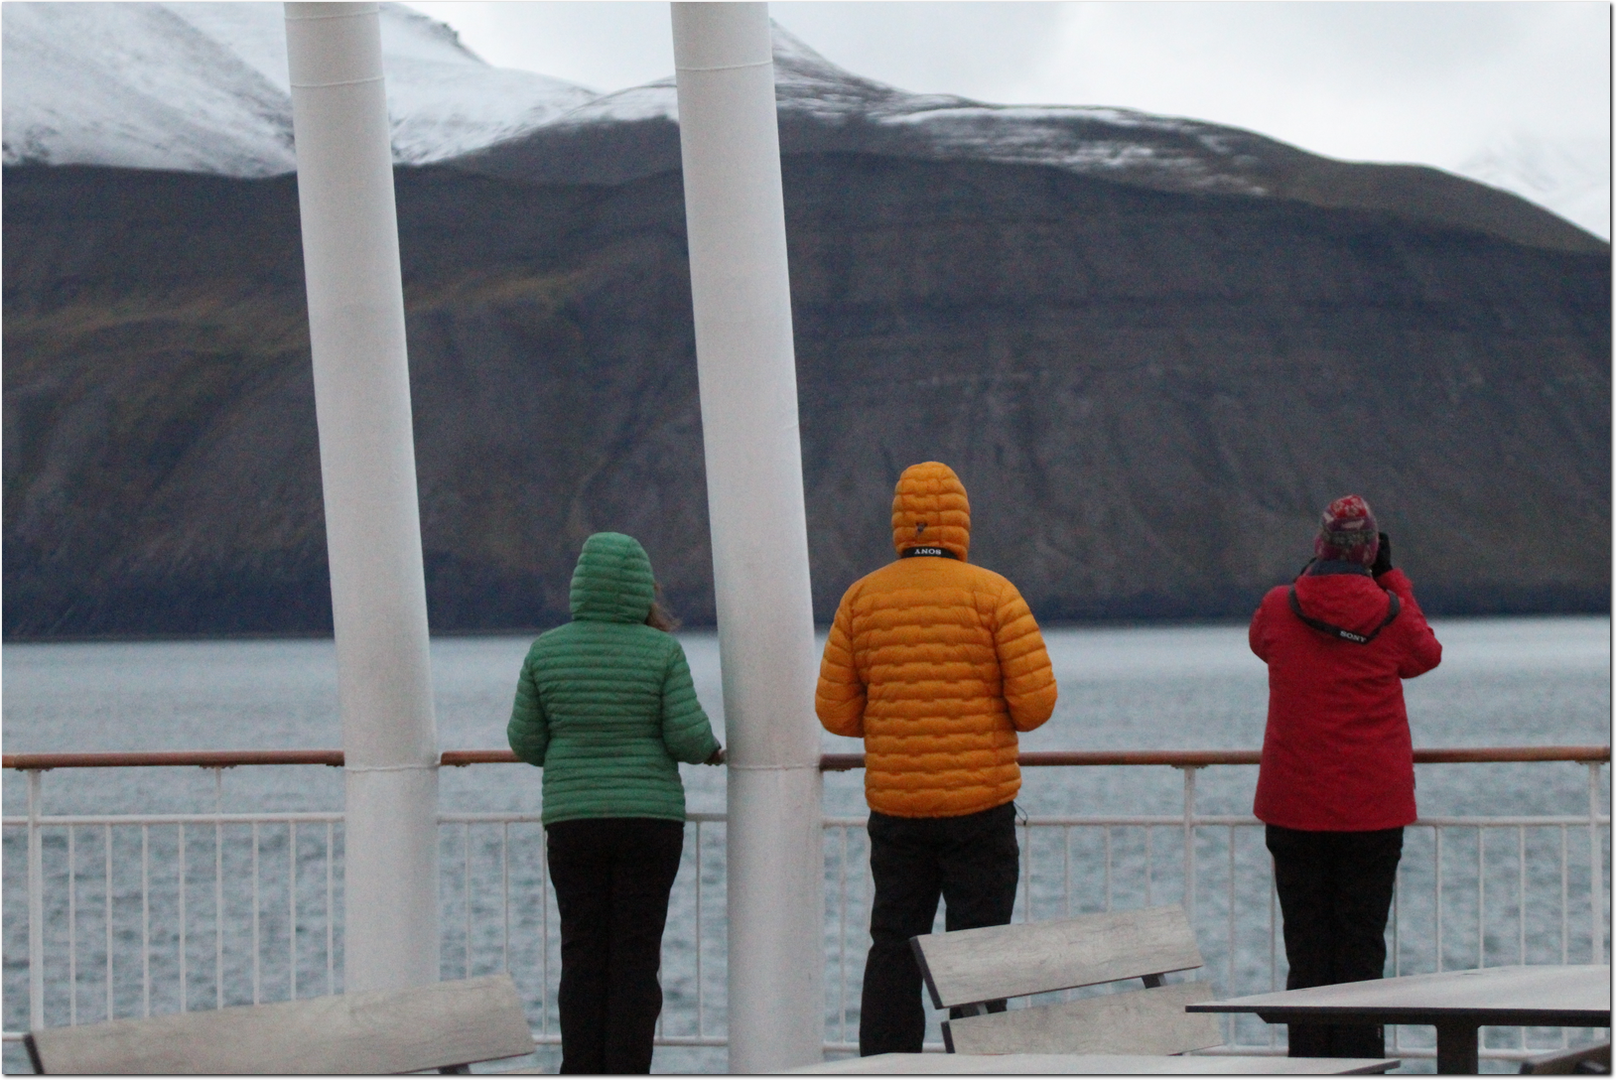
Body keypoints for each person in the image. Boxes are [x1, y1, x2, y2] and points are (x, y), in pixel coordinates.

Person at [816, 461, 1058, 1056]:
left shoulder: (861, 599)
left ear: (900, 521)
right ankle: (975, 1065)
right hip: (980, 810)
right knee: (979, 955)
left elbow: (836, 715)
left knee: (894, 947)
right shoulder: (994, 594)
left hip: (898, 811)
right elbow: (1034, 707)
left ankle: (884, 1066)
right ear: (960, 520)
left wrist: (893, 717)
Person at [507, 532, 723, 1074]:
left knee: (581, 955)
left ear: (581, 585)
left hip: (573, 822)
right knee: (635, 958)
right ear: (642, 589)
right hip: (649, 823)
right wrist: (712, 750)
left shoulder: (545, 651)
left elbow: (526, 742)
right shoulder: (662, 652)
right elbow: (689, 740)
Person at [1250, 495, 1442, 1059]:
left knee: (1307, 953)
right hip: (1372, 810)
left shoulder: (1279, 606)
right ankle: (1361, 1063)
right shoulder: (1390, 612)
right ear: (1371, 550)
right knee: (1361, 951)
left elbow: (1261, 642)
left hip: (1294, 806)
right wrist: (1392, 578)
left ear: (1318, 546)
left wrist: (1311, 575)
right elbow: (1426, 654)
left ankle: (1308, 1066)